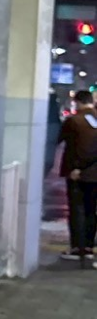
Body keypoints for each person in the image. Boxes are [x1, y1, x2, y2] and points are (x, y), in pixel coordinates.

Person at [59, 89, 97, 262]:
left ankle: (77, 248)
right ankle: (88, 247)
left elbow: (62, 141)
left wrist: (77, 168)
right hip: (94, 174)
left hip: (78, 173)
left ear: (77, 102)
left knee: (77, 211)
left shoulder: (73, 121)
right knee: (91, 210)